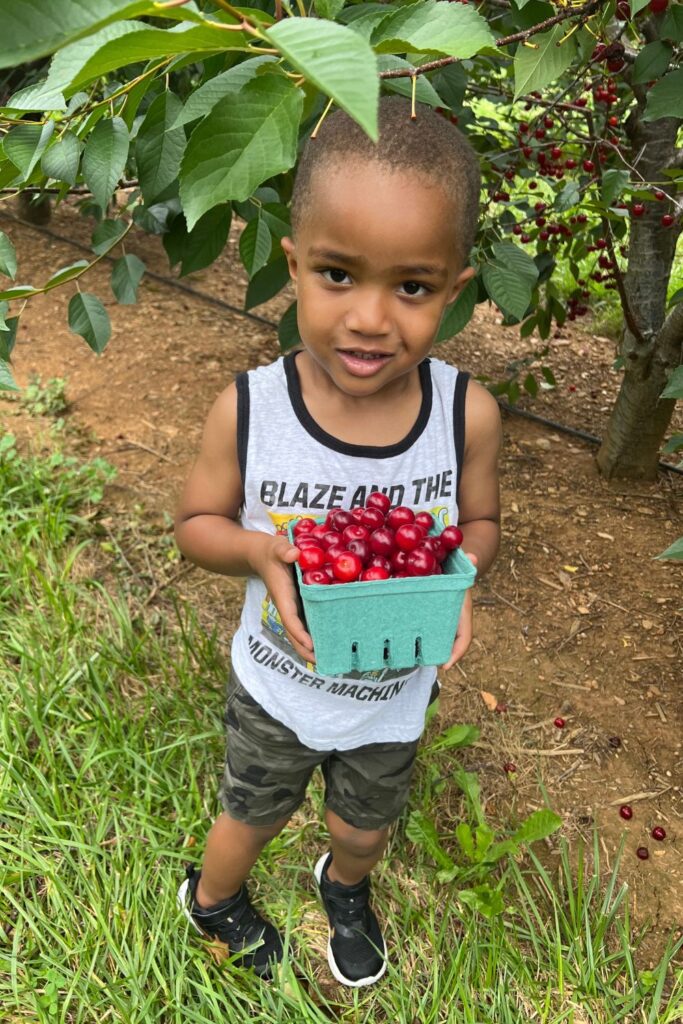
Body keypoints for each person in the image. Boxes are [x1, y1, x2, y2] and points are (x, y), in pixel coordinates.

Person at [174, 94, 502, 988]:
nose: (368, 318)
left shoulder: (465, 414)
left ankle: (344, 887)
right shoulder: (249, 410)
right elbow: (196, 526)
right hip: (278, 687)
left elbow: (479, 523)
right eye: (336, 275)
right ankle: (212, 900)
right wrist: (256, 551)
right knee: (252, 810)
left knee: (365, 824)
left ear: (455, 290)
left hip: (394, 694)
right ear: (292, 263)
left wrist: (460, 573)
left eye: (411, 287)